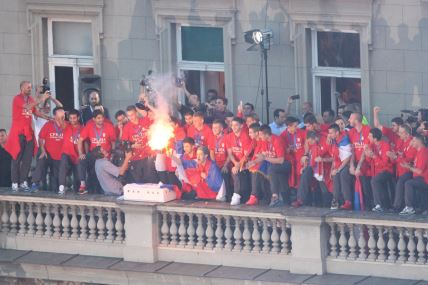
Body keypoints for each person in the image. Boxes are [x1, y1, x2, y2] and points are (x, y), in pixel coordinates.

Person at [5, 81, 51, 191]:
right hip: (18, 132)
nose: (29, 89)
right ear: (21, 88)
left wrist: (48, 118)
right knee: (16, 158)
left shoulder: (31, 99)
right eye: (27, 87)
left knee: (27, 160)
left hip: (29, 133)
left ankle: (23, 181)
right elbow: (29, 106)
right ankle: (15, 182)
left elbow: (35, 112)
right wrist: (42, 98)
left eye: (30, 87)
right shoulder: (17, 99)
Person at [78, 109, 116, 194]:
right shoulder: (89, 127)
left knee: (97, 177)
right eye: (98, 118)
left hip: (104, 155)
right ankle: (82, 184)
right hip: (93, 154)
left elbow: (113, 142)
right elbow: (80, 140)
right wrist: (81, 153)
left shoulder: (109, 126)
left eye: (102, 118)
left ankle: (99, 191)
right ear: (94, 119)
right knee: (81, 160)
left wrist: (112, 155)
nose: (101, 120)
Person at [251, 125, 290, 207]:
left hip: (285, 164)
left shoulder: (277, 141)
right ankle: (268, 197)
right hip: (274, 165)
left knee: (271, 169)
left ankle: (275, 196)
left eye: (261, 135)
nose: (259, 136)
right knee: (260, 170)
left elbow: (281, 160)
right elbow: (263, 156)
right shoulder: (264, 141)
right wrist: (253, 162)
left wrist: (265, 158)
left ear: (266, 135)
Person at [31, 107, 67, 192]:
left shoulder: (67, 125)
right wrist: (43, 151)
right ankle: (35, 183)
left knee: (56, 181)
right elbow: (40, 138)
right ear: (54, 116)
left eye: (63, 117)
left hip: (60, 158)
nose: (61, 119)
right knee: (41, 158)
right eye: (59, 117)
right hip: (48, 155)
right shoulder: (48, 125)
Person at [121, 105, 157, 183]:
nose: (131, 117)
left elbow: (155, 115)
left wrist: (146, 104)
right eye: (129, 115)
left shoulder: (145, 120)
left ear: (136, 113)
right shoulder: (127, 127)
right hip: (135, 158)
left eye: (132, 114)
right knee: (139, 184)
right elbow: (124, 144)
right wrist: (133, 145)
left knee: (151, 182)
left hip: (148, 156)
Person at [365, 128, 394, 212]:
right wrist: (367, 152)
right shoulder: (371, 145)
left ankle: (378, 205)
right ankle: (386, 206)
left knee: (374, 181)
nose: (368, 137)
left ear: (375, 138)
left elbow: (385, 163)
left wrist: (374, 156)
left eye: (370, 136)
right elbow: (368, 161)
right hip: (377, 171)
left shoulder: (385, 145)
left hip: (387, 170)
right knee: (376, 181)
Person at [348, 112, 373, 209]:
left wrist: (358, 166)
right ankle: (354, 204)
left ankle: (368, 206)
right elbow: (352, 149)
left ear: (356, 120)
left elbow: (365, 150)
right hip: (356, 162)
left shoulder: (367, 130)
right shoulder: (351, 132)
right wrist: (351, 165)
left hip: (366, 162)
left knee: (364, 181)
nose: (349, 120)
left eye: (350, 118)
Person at [58, 109, 85, 195]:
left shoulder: (83, 128)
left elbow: (86, 143)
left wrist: (85, 154)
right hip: (67, 154)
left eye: (74, 118)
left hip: (77, 156)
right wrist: (62, 114)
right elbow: (60, 120)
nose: (72, 120)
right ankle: (61, 186)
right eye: (70, 118)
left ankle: (79, 188)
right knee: (63, 162)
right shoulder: (66, 125)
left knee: (77, 182)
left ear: (78, 118)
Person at [400, 134, 428, 215]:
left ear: (419, 142)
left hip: (424, 179)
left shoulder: (423, 152)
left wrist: (408, 167)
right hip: (419, 178)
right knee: (406, 181)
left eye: (414, 141)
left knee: (408, 183)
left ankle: (409, 207)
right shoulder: (419, 152)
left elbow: (419, 171)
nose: (412, 142)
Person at [327, 123, 353, 210]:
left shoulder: (344, 140)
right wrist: (332, 169)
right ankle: (336, 200)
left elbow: (347, 157)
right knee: (335, 176)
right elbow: (334, 157)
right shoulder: (334, 141)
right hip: (338, 165)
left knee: (342, 174)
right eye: (329, 133)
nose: (329, 135)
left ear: (337, 133)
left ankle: (348, 201)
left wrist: (338, 169)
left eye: (331, 133)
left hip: (347, 164)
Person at [226, 117, 252, 205]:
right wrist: (235, 163)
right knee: (234, 171)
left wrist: (238, 165)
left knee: (237, 172)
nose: (233, 127)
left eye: (236, 125)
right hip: (235, 162)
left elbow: (246, 155)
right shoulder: (229, 136)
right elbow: (230, 153)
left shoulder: (245, 137)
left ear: (241, 126)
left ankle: (236, 195)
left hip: (246, 162)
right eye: (232, 125)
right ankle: (235, 195)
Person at [392, 125, 417, 211]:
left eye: (401, 132)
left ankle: (397, 206)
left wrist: (398, 157)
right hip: (399, 169)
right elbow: (396, 152)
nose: (399, 134)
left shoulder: (412, 142)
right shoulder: (400, 141)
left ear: (407, 134)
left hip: (410, 170)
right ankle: (399, 205)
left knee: (401, 182)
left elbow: (409, 160)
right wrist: (396, 155)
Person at [208, 120, 230, 200]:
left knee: (225, 176)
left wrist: (225, 165)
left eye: (216, 128)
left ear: (221, 128)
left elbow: (230, 154)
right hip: (216, 164)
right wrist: (214, 164)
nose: (214, 129)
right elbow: (211, 151)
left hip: (226, 164)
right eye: (213, 128)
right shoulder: (211, 138)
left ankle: (228, 197)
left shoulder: (227, 137)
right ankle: (218, 195)